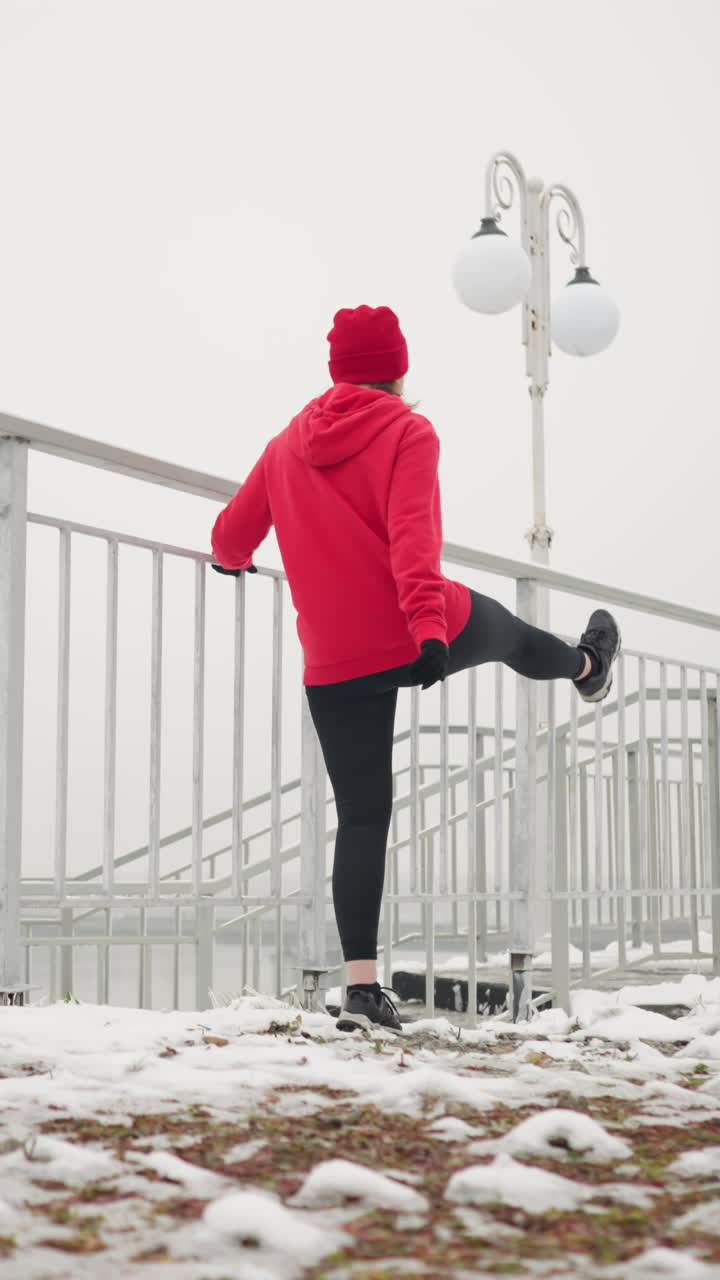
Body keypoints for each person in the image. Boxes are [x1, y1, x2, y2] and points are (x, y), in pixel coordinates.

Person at [211, 305, 621, 1034]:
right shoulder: (408, 431)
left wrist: (232, 560)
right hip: (412, 630)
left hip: (334, 658)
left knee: (362, 814)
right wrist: (430, 631)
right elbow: (412, 538)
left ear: (337, 371)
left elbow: (230, 537)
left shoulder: (285, 446)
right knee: (514, 636)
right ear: (397, 370)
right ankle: (589, 665)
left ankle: (362, 990)